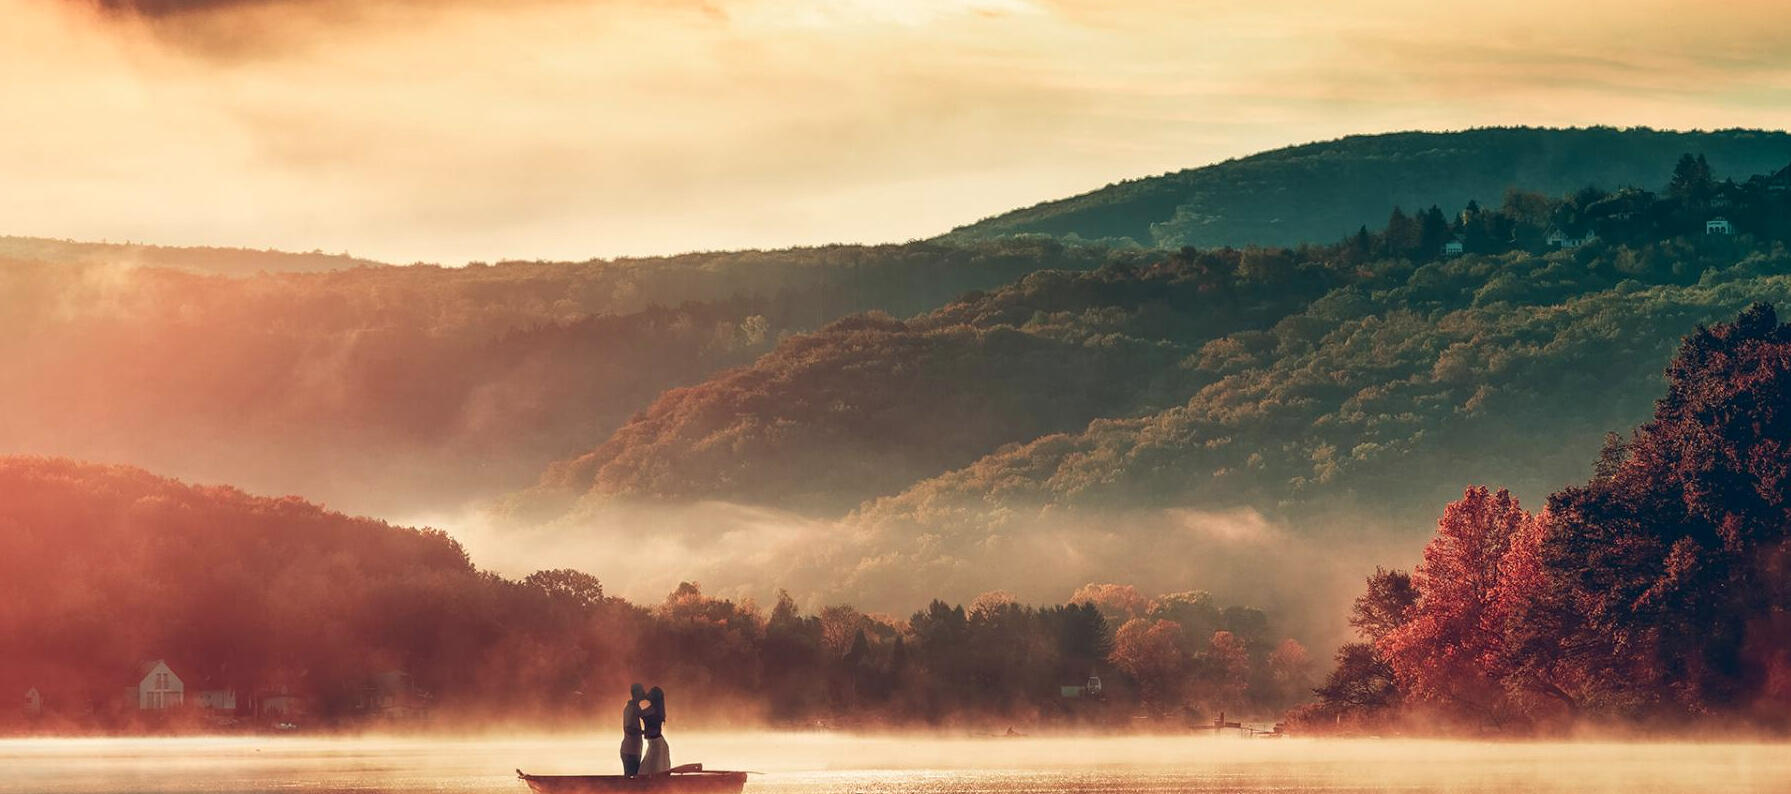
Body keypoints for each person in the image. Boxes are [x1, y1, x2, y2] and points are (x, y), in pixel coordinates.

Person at [639, 686, 671, 775]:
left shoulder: (652, 710)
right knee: (651, 769)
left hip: (656, 744)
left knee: (649, 769)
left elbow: (638, 713)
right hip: (657, 743)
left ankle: (647, 785)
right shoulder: (658, 710)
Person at [620, 683, 646, 777]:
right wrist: (644, 732)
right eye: (642, 691)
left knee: (634, 777)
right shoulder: (630, 708)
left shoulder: (635, 707)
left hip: (635, 749)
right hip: (630, 751)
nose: (644, 693)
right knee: (631, 778)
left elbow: (644, 715)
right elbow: (628, 729)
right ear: (637, 693)